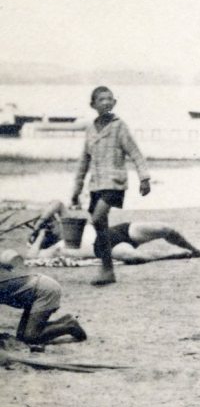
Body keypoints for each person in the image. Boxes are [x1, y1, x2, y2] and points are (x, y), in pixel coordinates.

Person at [70, 86, 151, 286]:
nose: (106, 102)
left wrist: (144, 178)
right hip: (96, 184)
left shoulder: (119, 126)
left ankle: (107, 268)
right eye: (101, 99)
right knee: (101, 226)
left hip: (115, 182)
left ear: (114, 103)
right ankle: (108, 269)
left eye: (109, 99)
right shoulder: (90, 129)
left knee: (97, 218)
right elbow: (83, 161)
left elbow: (135, 152)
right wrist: (76, 190)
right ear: (93, 104)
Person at [28, 201, 200, 264]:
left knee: (164, 229)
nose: (53, 224)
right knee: (133, 256)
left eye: (52, 221)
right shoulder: (59, 246)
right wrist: (42, 234)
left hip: (118, 231)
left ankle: (198, 251)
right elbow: (32, 258)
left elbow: (57, 204)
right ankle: (172, 254)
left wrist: (40, 223)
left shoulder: (71, 229)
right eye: (50, 225)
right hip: (104, 248)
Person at [0, 249, 86, 347]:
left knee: (31, 337)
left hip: (43, 291)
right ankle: (63, 321)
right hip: (36, 290)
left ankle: (70, 326)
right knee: (21, 336)